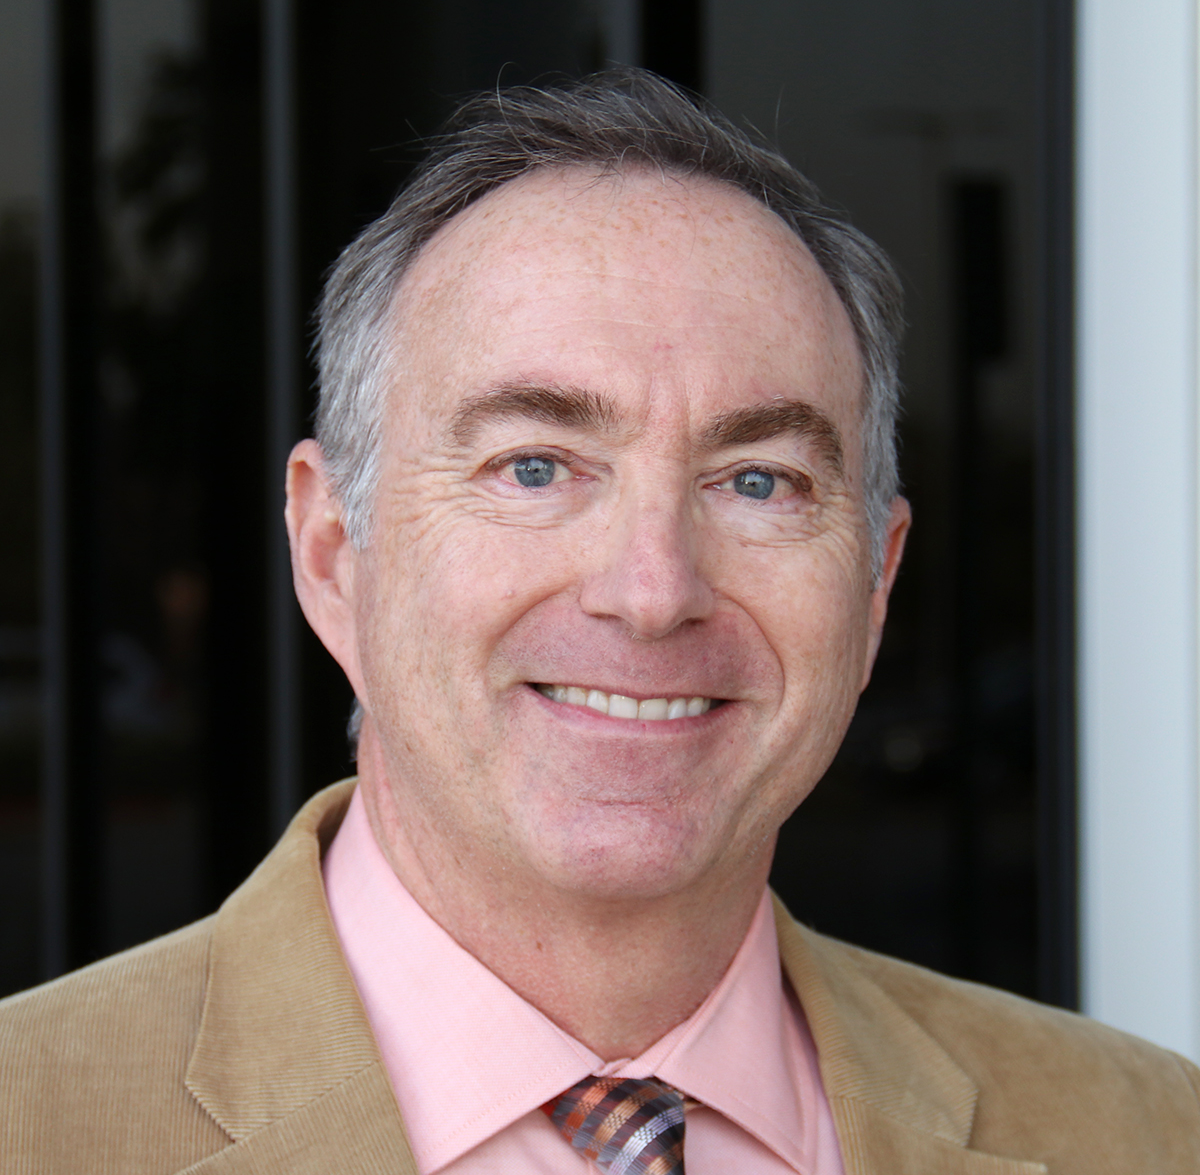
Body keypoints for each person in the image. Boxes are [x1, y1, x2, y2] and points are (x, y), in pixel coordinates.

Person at [2, 68, 1198, 1175]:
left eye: (759, 481)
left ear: (875, 585)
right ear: (332, 552)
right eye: (534, 467)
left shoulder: (1149, 1130)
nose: (653, 590)